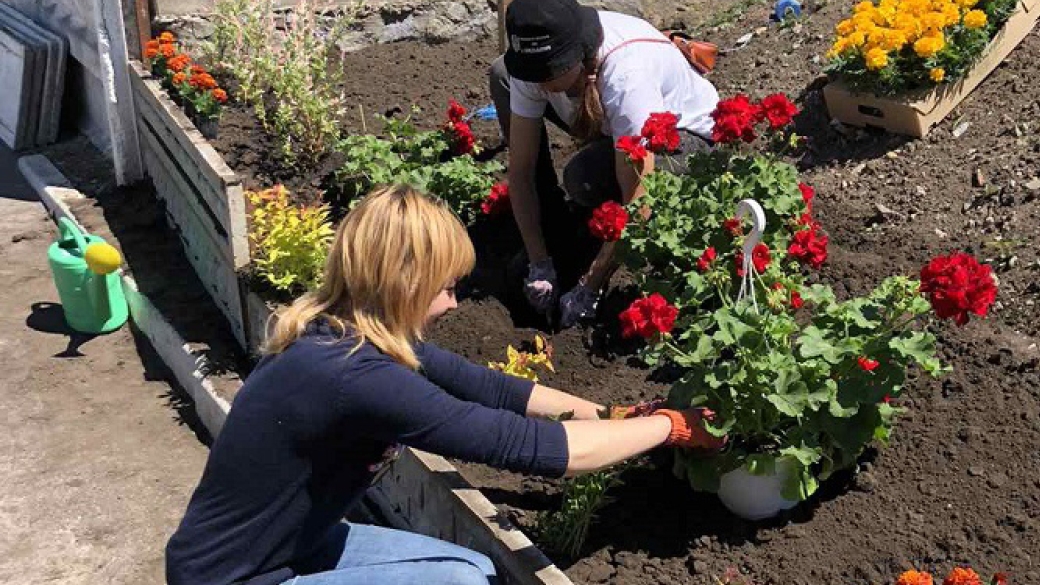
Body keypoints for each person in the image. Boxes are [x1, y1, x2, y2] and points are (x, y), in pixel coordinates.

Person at [165, 185, 722, 585]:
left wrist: (610, 415)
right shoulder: (356, 376)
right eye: (446, 287)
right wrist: (668, 426)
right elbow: (536, 449)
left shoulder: (345, 335)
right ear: (406, 281)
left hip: (289, 548)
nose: (455, 303)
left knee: (476, 568)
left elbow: (500, 391)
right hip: (232, 579)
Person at [489, 0, 720, 327]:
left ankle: (608, 240)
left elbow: (638, 196)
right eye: (533, 75)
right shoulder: (536, 67)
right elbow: (522, 171)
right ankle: (559, 229)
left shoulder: (627, 75)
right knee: (502, 75)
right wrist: (539, 261)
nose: (537, 84)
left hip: (686, 139)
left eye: (548, 74)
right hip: (607, 116)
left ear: (576, 56)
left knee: (585, 178)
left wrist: (590, 286)